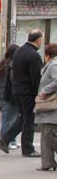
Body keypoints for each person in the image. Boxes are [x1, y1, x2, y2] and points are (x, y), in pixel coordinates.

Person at [0, 29, 44, 157]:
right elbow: (36, 77)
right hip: (28, 92)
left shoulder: (19, 52)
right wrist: (37, 94)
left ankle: (5, 138)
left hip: (16, 90)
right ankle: (28, 149)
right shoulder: (34, 55)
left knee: (23, 117)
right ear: (38, 40)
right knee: (29, 120)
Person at [34, 43, 57, 171]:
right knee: (45, 134)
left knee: (49, 133)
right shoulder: (51, 65)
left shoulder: (54, 65)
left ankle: (48, 162)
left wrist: (45, 91)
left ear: (47, 55)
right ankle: (47, 163)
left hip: (52, 105)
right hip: (48, 105)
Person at [0, 44, 20, 150]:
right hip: (8, 96)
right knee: (9, 120)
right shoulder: (12, 65)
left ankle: (11, 140)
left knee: (9, 119)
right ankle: (5, 140)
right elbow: (12, 81)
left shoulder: (3, 63)